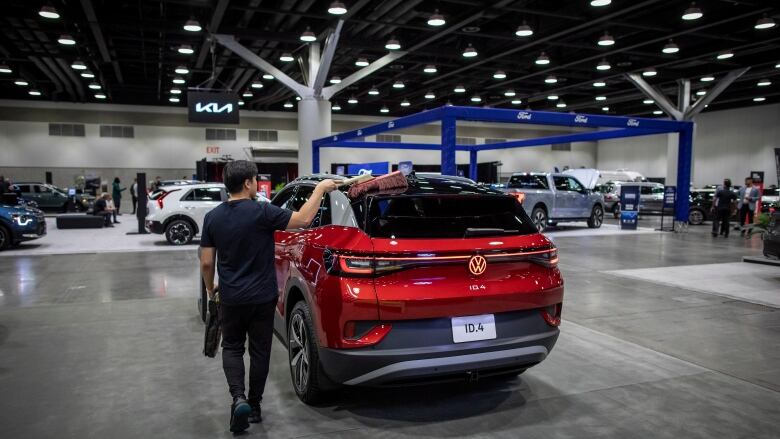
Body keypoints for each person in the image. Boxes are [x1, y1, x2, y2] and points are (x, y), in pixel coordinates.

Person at [199, 160, 339, 433]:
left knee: (232, 348)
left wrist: (210, 288)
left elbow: (206, 262)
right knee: (260, 351)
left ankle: (238, 397)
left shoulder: (213, 217)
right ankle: (254, 406)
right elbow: (304, 219)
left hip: (231, 298)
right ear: (249, 183)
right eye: (254, 179)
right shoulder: (262, 212)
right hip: (262, 297)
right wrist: (321, 189)